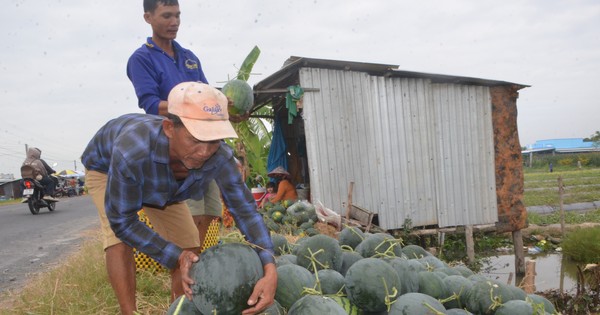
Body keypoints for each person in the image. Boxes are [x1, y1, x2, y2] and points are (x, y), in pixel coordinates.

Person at [81, 82, 276, 315]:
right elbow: (123, 221)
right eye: (195, 140)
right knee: (118, 239)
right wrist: (173, 256)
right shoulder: (132, 152)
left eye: (213, 141)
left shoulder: (220, 157)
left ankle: (178, 309)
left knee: (189, 247)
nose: (204, 152)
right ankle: (128, 312)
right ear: (169, 128)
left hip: (165, 187)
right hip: (107, 169)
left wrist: (269, 264)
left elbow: (245, 211)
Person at [126, 0, 227, 248]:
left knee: (210, 210)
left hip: (204, 142)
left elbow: (206, 94)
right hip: (176, 146)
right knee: (189, 211)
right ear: (148, 18)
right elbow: (151, 104)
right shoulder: (141, 58)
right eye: (167, 16)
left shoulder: (189, 57)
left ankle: (199, 261)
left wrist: (224, 105)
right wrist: (191, 107)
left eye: (178, 16)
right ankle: (187, 264)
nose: (174, 23)